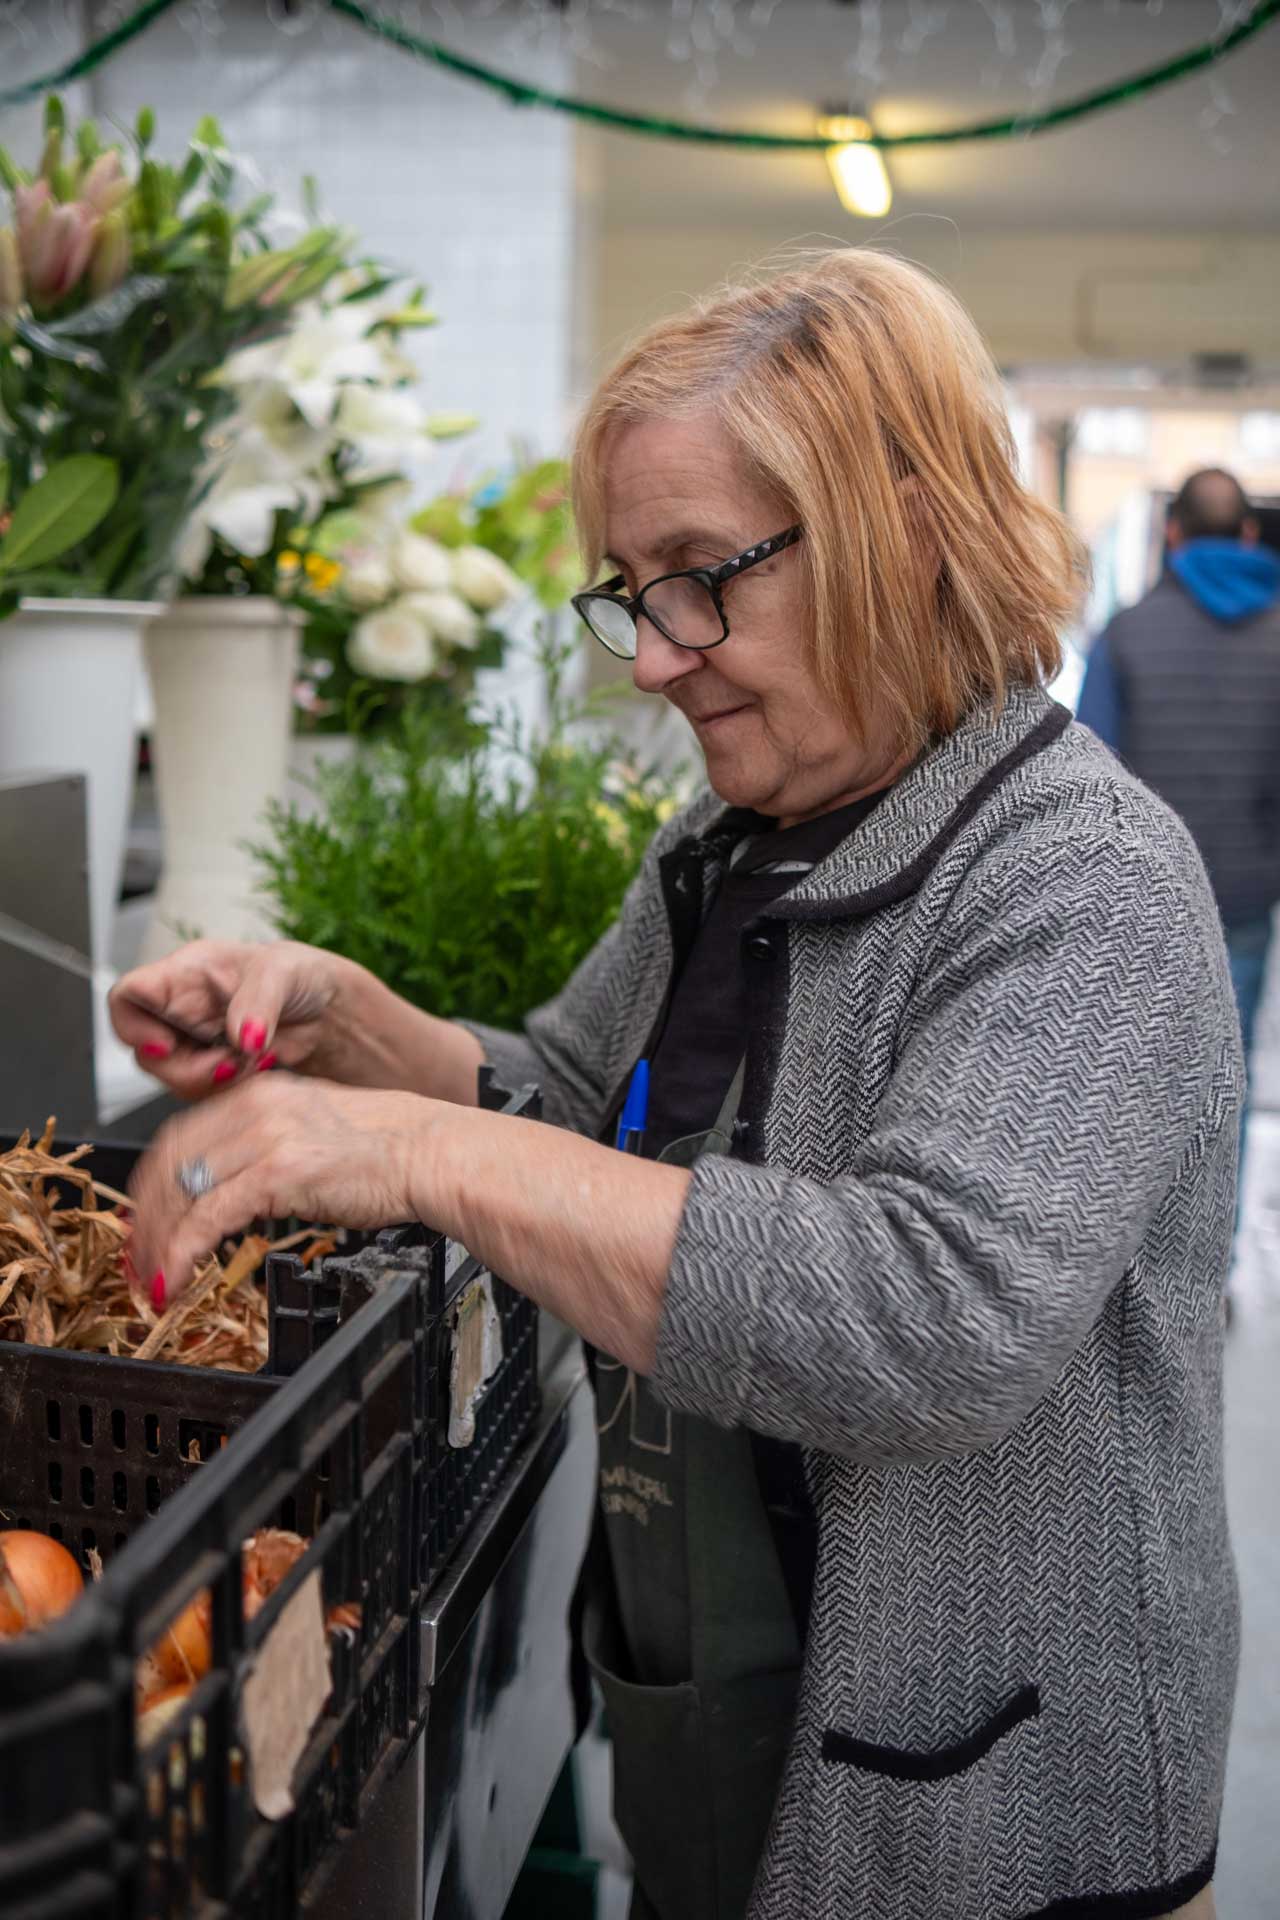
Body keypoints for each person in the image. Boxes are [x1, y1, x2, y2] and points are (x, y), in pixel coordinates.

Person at [114, 251, 1239, 1920]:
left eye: (702, 576)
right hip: (722, 1743)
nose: (654, 657)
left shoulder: (1080, 880)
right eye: (633, 589)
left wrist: (413, 1149)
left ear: (904, 530)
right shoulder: (729, 850)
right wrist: (340, 1024)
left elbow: (927, 1318)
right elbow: (566, 1101)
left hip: (982, 1838)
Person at [1078, 469, 1280, 1251]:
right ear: (1250, 537)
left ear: (1172, 534)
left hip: (1142, 906)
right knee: (1227, 1076)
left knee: (1129, 1077)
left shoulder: (1127, 633)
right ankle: (1213, 1261)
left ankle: (1133, 1254)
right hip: (1246, 896)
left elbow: (1089, 773)